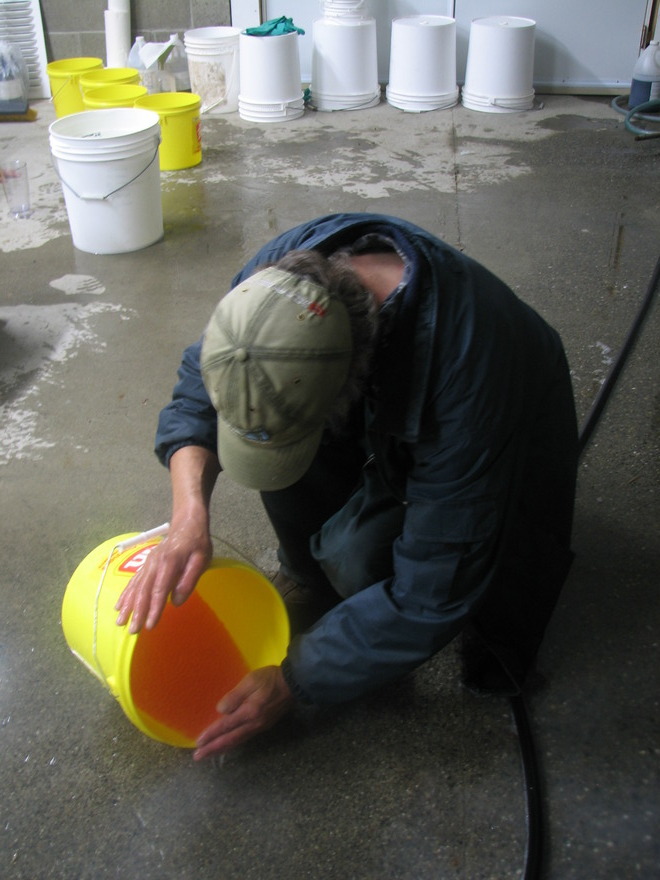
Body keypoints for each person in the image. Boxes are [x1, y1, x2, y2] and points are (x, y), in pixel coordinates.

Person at [115, 213, 578, 761]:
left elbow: (433, 586)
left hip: (509, 413)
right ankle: (309, 575)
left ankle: (408, 624)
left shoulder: (469, 385)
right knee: (295, 458)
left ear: (355, 376)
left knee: (437, 584)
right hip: (384, 381)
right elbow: (201, 385)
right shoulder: (271, 289)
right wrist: (189, 517)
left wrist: (296, 680)